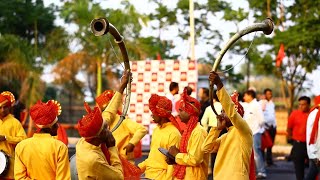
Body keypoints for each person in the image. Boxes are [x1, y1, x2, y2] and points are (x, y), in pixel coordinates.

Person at [76, 69, 130, 180]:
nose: (108, 127)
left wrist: (122, 87)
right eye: (106, 128)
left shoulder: (85, 139)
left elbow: (108, 113)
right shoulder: (93, 160)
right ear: (99, 136)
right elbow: (119, 177)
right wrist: (112, 147)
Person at [202, 71, 253, 180]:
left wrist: (219, 85)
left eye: (224, 111)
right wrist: (216, 129)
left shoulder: (244, 130)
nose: (221, 114)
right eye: (221, 111)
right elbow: (205, 148)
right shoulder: (225, 136)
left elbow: (232, 114)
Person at [14, 100, 70, 179]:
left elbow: (19, 177)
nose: (58, 126)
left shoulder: (21, 147)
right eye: (55, 124)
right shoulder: (60, 147)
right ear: (50, 126)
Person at [96, 89, 148, 163]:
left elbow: (142, 129)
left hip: (124, 162)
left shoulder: (122, 120)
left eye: (105, 109)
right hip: (109, 162)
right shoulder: (101, 122)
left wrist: (131, 144)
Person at [167, 87, 209, 180]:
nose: (178, 114)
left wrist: (176, 155)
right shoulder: (189, 130)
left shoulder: (198, 132)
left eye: (181, 110)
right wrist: (174, 159)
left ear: (190, 113)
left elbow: (194, 159)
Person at [138, 94, 181, 179]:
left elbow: (172, 164)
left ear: (161, 113)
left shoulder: (174, 134)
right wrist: (139, 167)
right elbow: (153, 157)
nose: (152, 115)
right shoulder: (156, 130)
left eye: (154, 112)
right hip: (148, 175)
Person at [0, 91, 27, 179]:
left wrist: (6, 138)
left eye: (5, 107)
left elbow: (23, 140)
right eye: (0, 107)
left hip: (9, 165)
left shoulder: (15, 122)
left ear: (9, 107)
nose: (3, 110)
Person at [243, 89, 267, 179]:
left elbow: (261, 120)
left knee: (257, 153)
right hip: (249, 133)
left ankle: (262, 172)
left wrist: (259, 130)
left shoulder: (256, 105)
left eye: (245, 95)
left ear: (250, 96)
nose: (244, 97)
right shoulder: (249, 105)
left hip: (255, 132)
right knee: (251, 154)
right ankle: (254, 172)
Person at [287, 96, 311, 180]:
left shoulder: (312, 114)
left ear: (308, 105)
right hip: (298, 145)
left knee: (313, 168)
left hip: (311, 145)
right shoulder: (294, 114)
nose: (301, 106)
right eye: (299, 104)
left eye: (303, 104)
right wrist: (290, 138)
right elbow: (289, 128)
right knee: (299, 169)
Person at [260, 88, 277, 166]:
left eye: (270, 94)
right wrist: (265, 125)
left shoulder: (272, 103)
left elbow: (272, 115)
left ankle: (269, 161)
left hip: (273, 127)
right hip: (265, 127)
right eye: (268, 94)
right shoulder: (262, 103)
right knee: (263, 145)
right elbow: (261, 115)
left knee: (270, 145)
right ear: (265, 95)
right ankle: (262, 161)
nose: (269, 95)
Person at [306, 95, 320, 180]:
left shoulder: (312, 113)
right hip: (316, 152)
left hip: (313, 151)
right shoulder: (317, 114)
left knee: (311, 174)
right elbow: (318, 137)